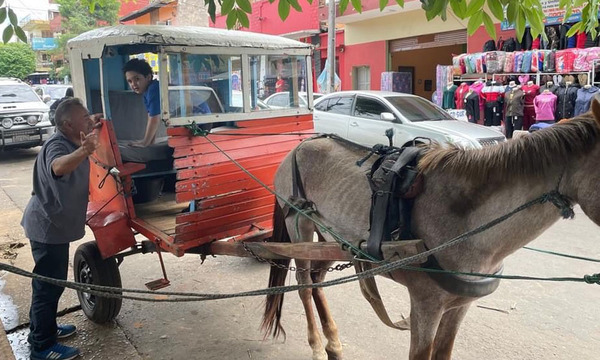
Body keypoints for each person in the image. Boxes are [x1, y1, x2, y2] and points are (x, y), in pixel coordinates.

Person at [21, 98, 102, 360]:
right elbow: (58, 167)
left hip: (54, 225)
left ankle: (46, 329)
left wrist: (91, 127)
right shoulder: (58, 145)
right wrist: (85, 151)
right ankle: (41, 346)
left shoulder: (72, 139)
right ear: (67, 124)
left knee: (51, 285)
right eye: (84, 117)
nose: (89, 120)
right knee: (48, 287)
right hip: (47, 228)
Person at [123, 58, 161, 147]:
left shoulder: (154, 89)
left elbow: (155, 119)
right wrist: (150, 142)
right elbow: (151, 116)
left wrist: (144, 143)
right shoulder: (146, 92)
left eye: (137, 79)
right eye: (130, 81)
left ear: (148, 77)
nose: (133, 84)